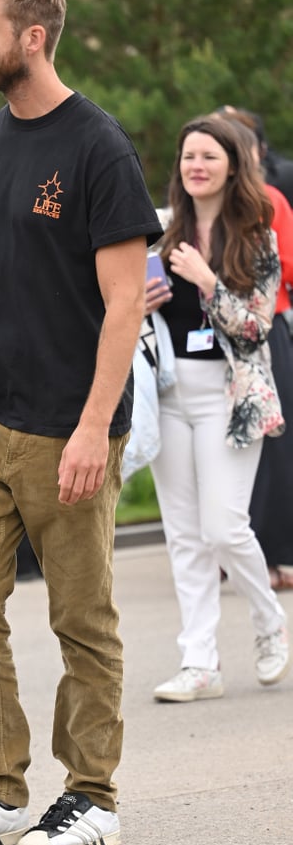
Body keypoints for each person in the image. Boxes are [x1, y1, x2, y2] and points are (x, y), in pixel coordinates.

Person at [0, 0, 162, 845]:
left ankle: (91, 795)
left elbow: (125, 301)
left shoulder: (98, 147)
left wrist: (96, 425)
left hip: (72, 423)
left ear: (33, 37)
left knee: (79, 615)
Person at [146, 114, 290, 704]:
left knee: (224, 527)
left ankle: (269, 624)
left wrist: (207, 280)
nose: (197, 165)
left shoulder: (256, 234)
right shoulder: (160, 232)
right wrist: (143, 300)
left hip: (230, 399)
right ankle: (198, 660)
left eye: (208, 155)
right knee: (183, 535)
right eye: (188, 157)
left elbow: (258, 325)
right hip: (171, 397)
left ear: (232, 164)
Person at [218, 110, 293, 591]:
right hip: (205, 344)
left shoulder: (270, 200)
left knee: (273, 448)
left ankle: (270, 554)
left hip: (263, 333)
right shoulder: (191, 206)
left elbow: (286, 266)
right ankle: (228, 549)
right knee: (221, 447)